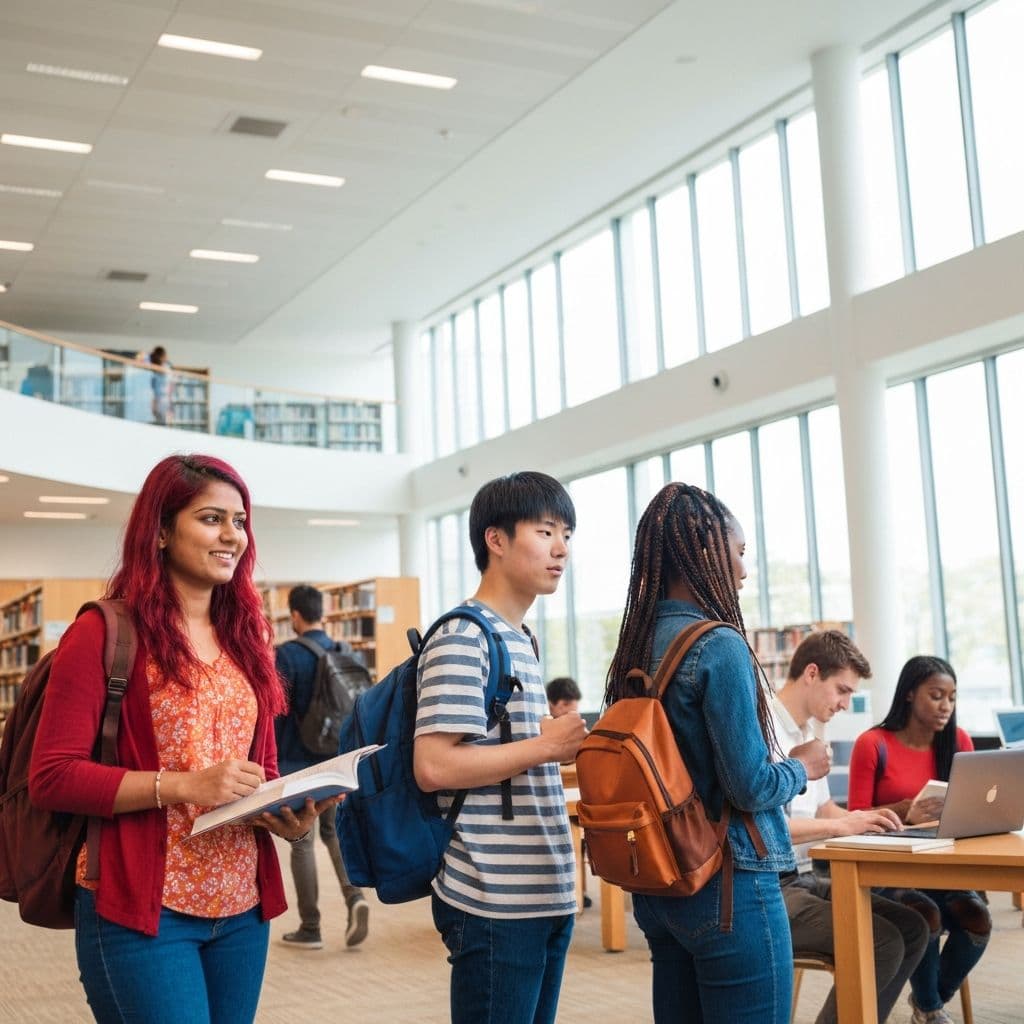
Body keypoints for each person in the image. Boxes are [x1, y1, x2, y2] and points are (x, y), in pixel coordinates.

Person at [29, 454, 334, 1024]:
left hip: (241, 905)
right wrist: (184, 785)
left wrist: (285, 810)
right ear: (162, 530)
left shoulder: (249, 639)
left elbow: (260, 766)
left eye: (240, 521)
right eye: (212, 518)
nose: (231, 536)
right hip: (142, 904)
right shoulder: (102, 632)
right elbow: (53, 776)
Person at [604, 482, 830, 1024]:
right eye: (740, 552)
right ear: (707, 550)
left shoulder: (636, 644)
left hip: (659, 882)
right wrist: (803, 769)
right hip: (730, 882)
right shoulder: (719, 644)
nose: (744, 571)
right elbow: (750, 785)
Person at [413, 471, 587, 1024]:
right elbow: (434, 766)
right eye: (545, 531)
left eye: (567, 534)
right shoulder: (465, 636)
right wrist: (547, 745)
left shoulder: (521, 637)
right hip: (493, 898)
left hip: (543, 891)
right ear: (496, 539)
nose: (561, 548)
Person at [770, 631, 929, 1024]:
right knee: (884, 942)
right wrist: (844, 825)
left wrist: (877, 818)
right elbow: (766, 825)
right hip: (769, 886)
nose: (845, 703)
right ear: (811, 673)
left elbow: (824, 809)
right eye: (841, 690)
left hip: (803, 877)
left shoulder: (809, 734)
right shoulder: (765, 729)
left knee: (914, 928)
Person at [847, 656, 991, 1024]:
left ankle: (928, 1001)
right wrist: (904, 811)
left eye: (952, 698)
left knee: (978, 920)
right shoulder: (873, 743)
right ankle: (929, 1012)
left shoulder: (958, 741)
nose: (946, 706)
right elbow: (855, 817)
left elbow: (975, 809)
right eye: (936, 695)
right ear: (910, 694)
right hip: (886, 873)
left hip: (943, 868)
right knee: (923, 913)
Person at [274, 584, 369, 950]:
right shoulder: (344, 652)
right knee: (333, 834)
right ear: (323, 613)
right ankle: (354, 898)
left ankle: (310, 927)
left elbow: (277, 711)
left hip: (298, 763)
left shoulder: (287, 655)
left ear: (295, 615)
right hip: (337, 760)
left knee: (302, 840)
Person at [148, 345, 173, 425]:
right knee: (162, 424)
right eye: (165, 355)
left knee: (162, 423)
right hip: (160, 400)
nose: (167, 356)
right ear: (161, 356)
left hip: (163, 400)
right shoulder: (160, 368)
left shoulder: (162, 368)